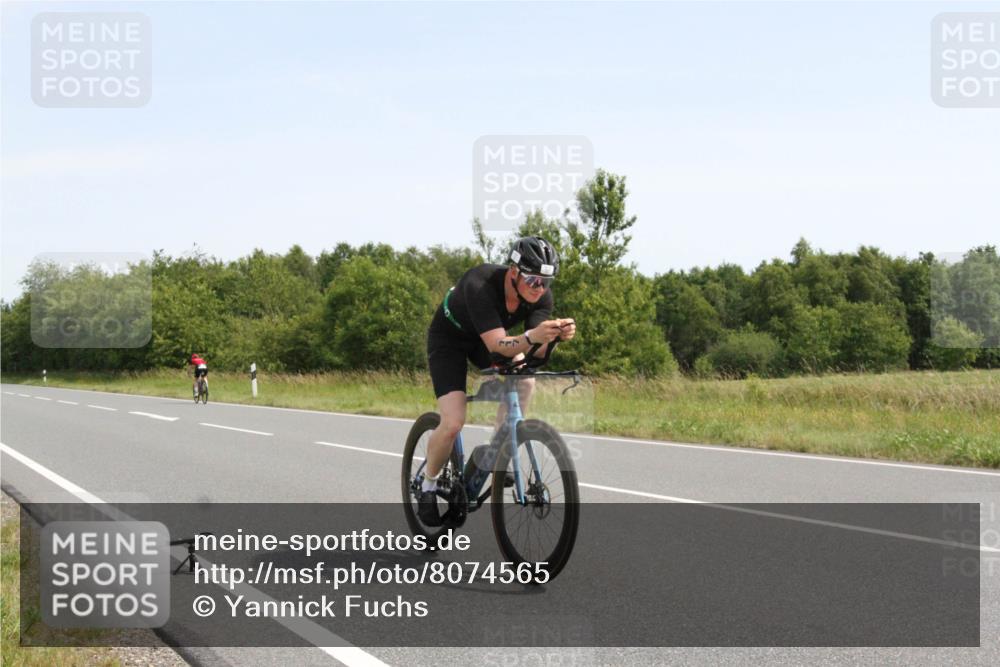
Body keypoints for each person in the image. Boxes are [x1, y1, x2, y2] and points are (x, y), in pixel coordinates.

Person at [420, 236, 577, 526]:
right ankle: (428, 485)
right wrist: (531, 337)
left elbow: (533, 351)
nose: (539, 289)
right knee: (453, 421)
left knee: (525, 380)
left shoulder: (541, 296)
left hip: (492, 338)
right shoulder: (480, 283)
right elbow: (498, 345)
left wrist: (554, 336)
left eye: (546, 282)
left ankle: (497, 451)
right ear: (514, 272)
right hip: (450, 340)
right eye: (532, 281)